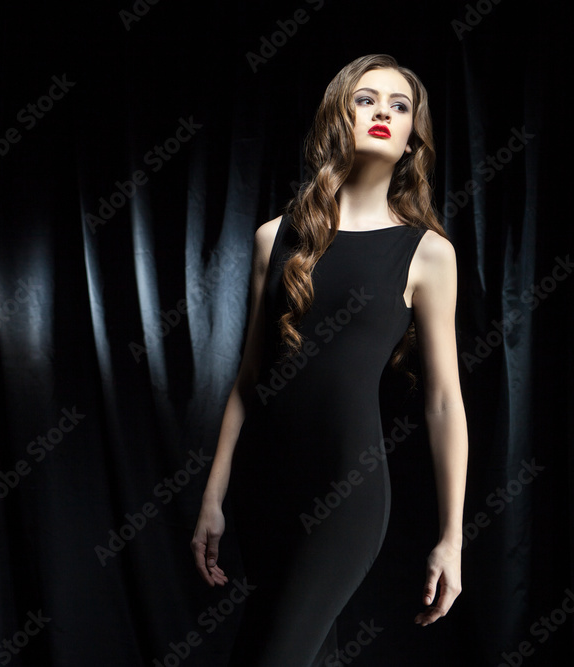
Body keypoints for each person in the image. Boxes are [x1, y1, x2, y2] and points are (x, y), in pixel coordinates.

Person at [190, 54, 468, 665]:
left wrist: (451, 536)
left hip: (347, 490)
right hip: (266, 491)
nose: (384, 114)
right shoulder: (275, 237)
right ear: (337, 116)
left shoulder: (427, 254)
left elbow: (444, 399)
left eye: (401, 106)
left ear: (412, 138)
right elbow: (247, 382)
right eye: (366, 99)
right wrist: (214, 498)